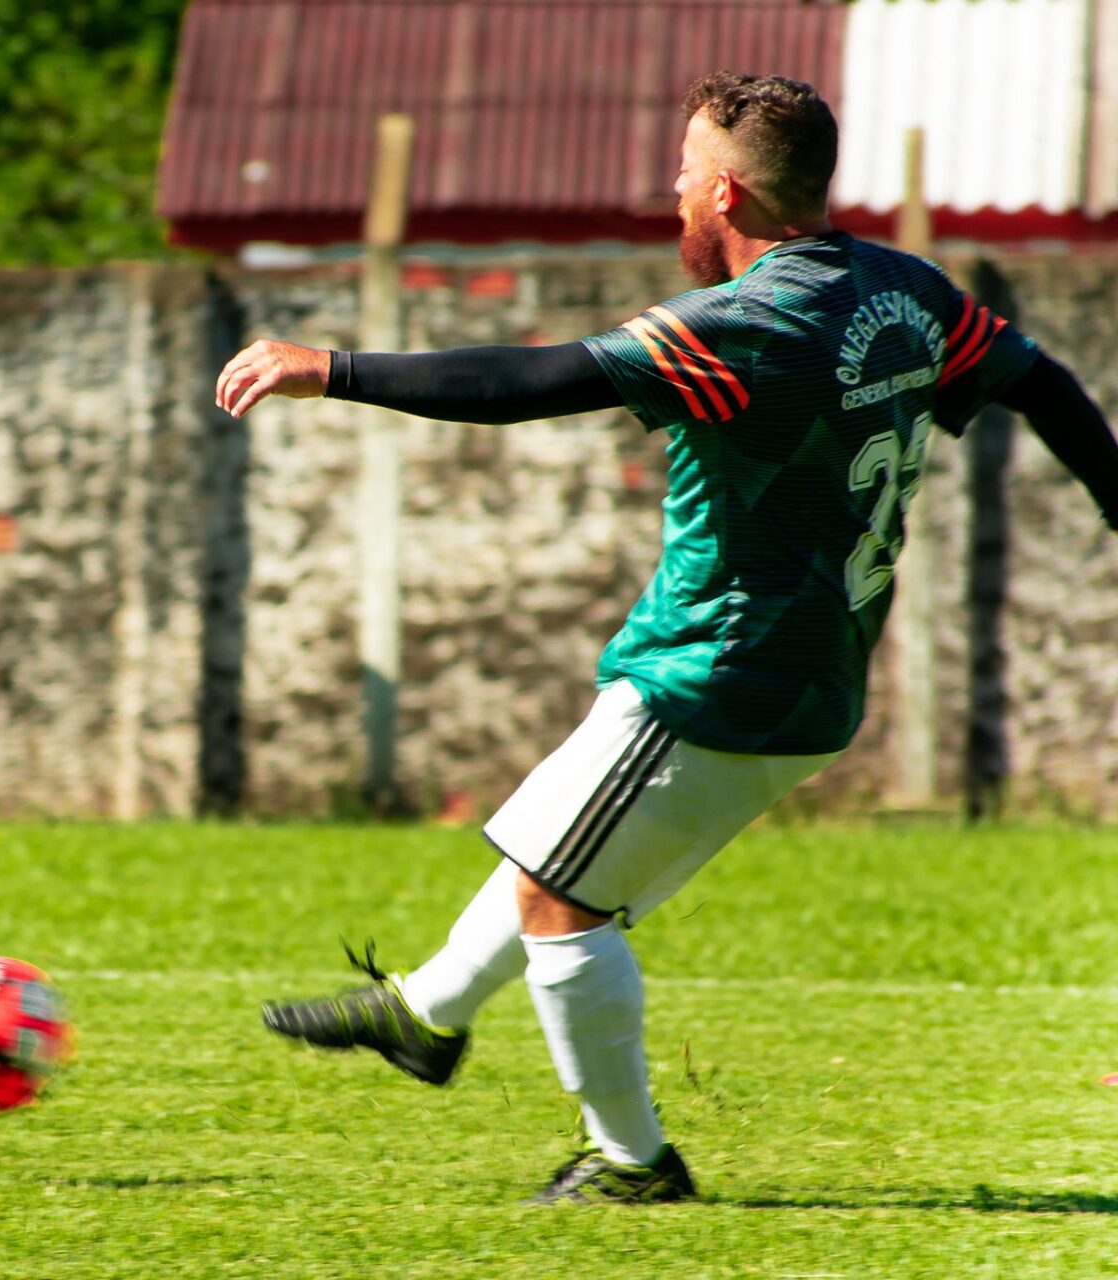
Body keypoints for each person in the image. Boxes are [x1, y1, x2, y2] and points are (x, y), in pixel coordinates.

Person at [213, 71, 1118, 1205]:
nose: (672, 192)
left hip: (716, 675)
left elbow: (528, 378)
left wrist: (332, 369)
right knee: (558, 842)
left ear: (727, 191)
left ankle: (632, 1161)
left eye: (685, 173)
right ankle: (427, 1012)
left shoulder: (748, 324)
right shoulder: (906, 291)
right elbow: (1045, 383)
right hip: (813, 672)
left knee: (559, 900)